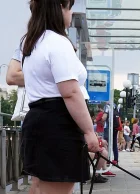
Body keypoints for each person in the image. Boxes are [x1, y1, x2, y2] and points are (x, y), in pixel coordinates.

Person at [19, 1, 100, 194]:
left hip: (39, 122)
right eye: (68, 7)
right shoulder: (57, 42)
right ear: (59, 8)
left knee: (39, 186)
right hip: (58, 125)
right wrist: (89, 131)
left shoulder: (32, 42)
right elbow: (70, 92)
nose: (71, 13)